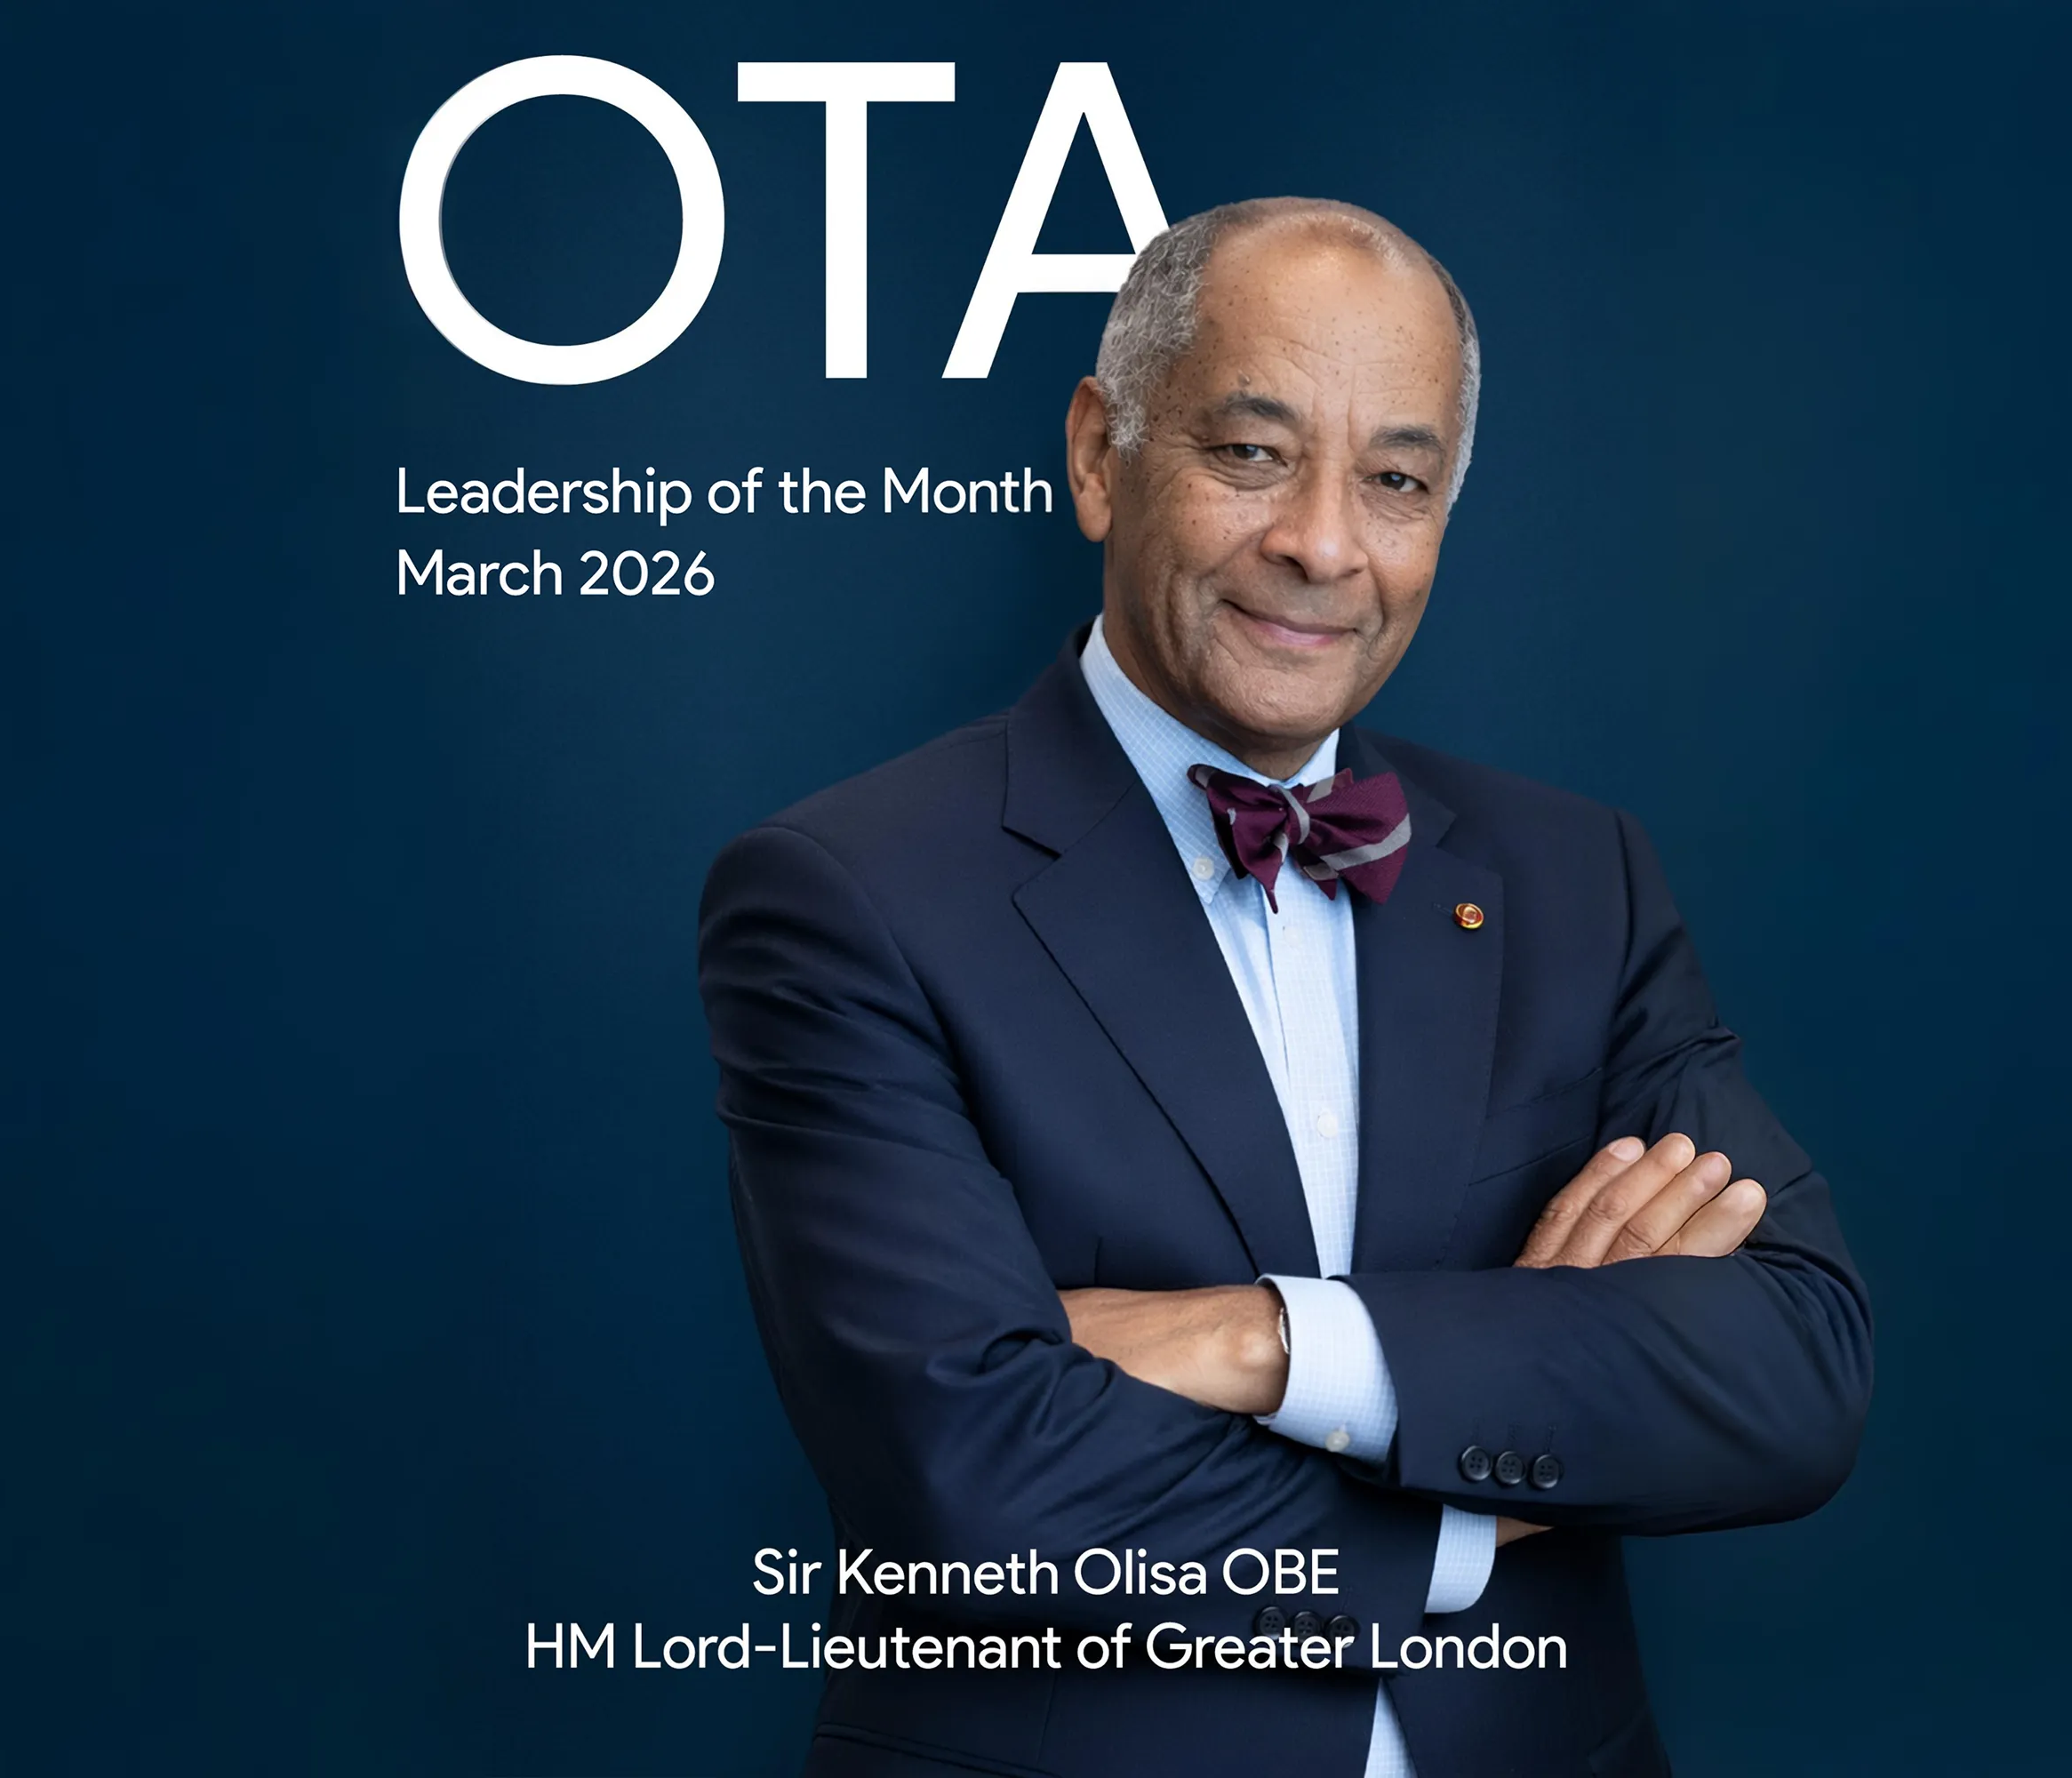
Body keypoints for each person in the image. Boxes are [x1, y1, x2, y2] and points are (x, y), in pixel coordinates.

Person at [697, 196, 1871, 1778]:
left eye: (1396, 481)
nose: (1324, 542)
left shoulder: (1573, 876)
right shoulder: (844, 891)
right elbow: (970, 1487)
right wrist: (1494, 1477)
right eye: (1252, 454)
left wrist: (1269, 1345)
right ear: (1102, 455)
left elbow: (1792, 1370)